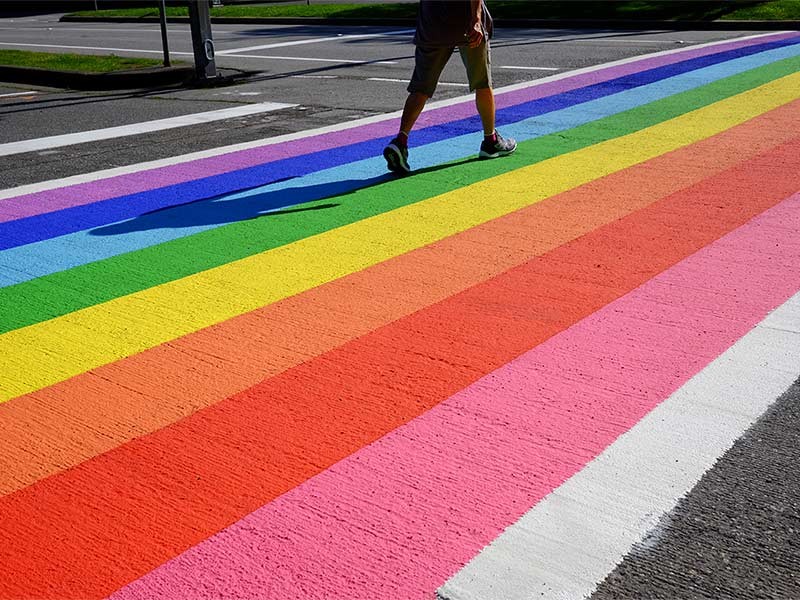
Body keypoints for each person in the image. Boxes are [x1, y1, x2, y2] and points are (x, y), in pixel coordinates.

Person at [383, 0, 517, 175]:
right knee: (482, 83)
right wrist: (476, 19)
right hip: (465, 21)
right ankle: (491, 141)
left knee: (420, 88)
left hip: (431, 23)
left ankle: (400, 141)